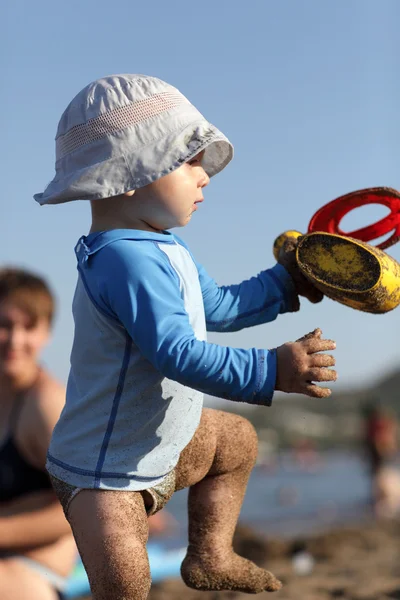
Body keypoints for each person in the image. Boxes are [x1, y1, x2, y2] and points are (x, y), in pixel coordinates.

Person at [34, 74, 337, 599]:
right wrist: (270, 370)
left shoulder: (162, 246)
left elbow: (214, 306)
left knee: (235, 442)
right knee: (127, 588)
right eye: (189, 160)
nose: (205, 177)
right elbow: (176, 353)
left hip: (162, 448)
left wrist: (287, 283)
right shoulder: (125, 260)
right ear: (129, 174)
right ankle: (201, 555)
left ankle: (210, 554)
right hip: (103, 477)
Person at [0, 268, 77, 600]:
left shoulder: (46, 405)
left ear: (46, 333)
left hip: (35, 577)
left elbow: (85, 507)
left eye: (29, 327)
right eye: (4, 325)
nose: (15, 340)